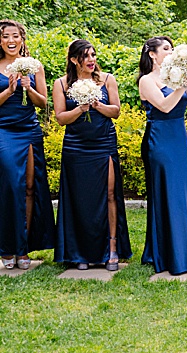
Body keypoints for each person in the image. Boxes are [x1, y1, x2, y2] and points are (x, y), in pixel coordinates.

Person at [53, 39, 132, 271]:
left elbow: (116, 112)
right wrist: (80, 108)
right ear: (74, 59)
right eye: (86, 56)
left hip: (103, 142)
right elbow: (60, 118)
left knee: (109, 194)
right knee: (79, 198)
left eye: (93, 55)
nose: (91, 60)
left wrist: (96, 104)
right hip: (76, 146)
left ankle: (112, 248)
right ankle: (80, 252)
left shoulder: (107, 80)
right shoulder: (62, 83)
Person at [138, 36, 187, 275]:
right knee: (166, 192)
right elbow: (164, 106)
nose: (171, 52)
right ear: (152, 54)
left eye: (172, 48)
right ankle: (167, 254)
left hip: (179, 139)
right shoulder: (147, 80)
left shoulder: (178, 76)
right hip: (160, 140)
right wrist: (179, 85)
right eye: (166, 49)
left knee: (182, 193)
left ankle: (185, 251)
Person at [0, 19, 54, 269]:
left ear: (22, 38)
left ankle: (24, 249)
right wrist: (10, 90)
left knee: (31, 187)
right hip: (4, 131)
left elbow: (43, 103)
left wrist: (28, 88)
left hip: (29, 129)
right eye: (5, 36)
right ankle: (7, 247)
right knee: (12, 185)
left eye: (15, 36)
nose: (11, 41)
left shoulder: (35, 66)